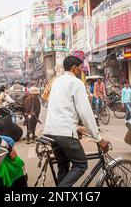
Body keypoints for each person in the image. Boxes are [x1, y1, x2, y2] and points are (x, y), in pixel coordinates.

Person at [43, 56, 109, 187]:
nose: (81, 71)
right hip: (64, 131)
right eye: (80, 68)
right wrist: (98, 138)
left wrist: (76, 128)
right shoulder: (76, 83)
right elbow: (86, 114)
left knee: (63, 166)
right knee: (81, 164)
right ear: (74, 68)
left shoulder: (56, 81)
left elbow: (62, 108)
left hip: (51, 131)